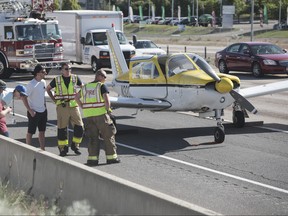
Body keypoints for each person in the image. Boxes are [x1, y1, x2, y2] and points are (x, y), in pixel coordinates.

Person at [75, 69, 120, 166]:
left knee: (93, 138)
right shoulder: (101, 86)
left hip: (89, 116)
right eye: (104, 77)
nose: (105, 79)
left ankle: (92, 159)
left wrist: (82, 106)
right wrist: (109, 111)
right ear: (99, 76)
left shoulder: (86, 87)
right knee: (108, 136)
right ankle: (111, 158)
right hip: (101, 115)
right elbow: (107, 100)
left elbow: (76, 97)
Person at [46, 63, 84, 156]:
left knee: (80, 127)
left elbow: (83, 88)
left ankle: (75, 145)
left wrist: (78, 97)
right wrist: (54, 100)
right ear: (62, 70)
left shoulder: (75, 78)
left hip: (73, 105)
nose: (68, 71)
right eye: (66, 69)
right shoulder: (57, 79)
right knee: (62, 128)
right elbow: (48, 89)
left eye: (70, 69)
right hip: (62, 106)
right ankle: (63, 148)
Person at [21, 65, 47, 150]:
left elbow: (42, 96)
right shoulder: (31, 84)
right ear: (37, 73)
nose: (45, 73)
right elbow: (24, 97)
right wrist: (30, 110)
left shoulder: (43, 82)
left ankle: (43, 149)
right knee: (30, 132)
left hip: (43, 111)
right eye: (43, 72)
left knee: (42, 131)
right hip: (34, 112)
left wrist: (44, 107)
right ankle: (28, 149)